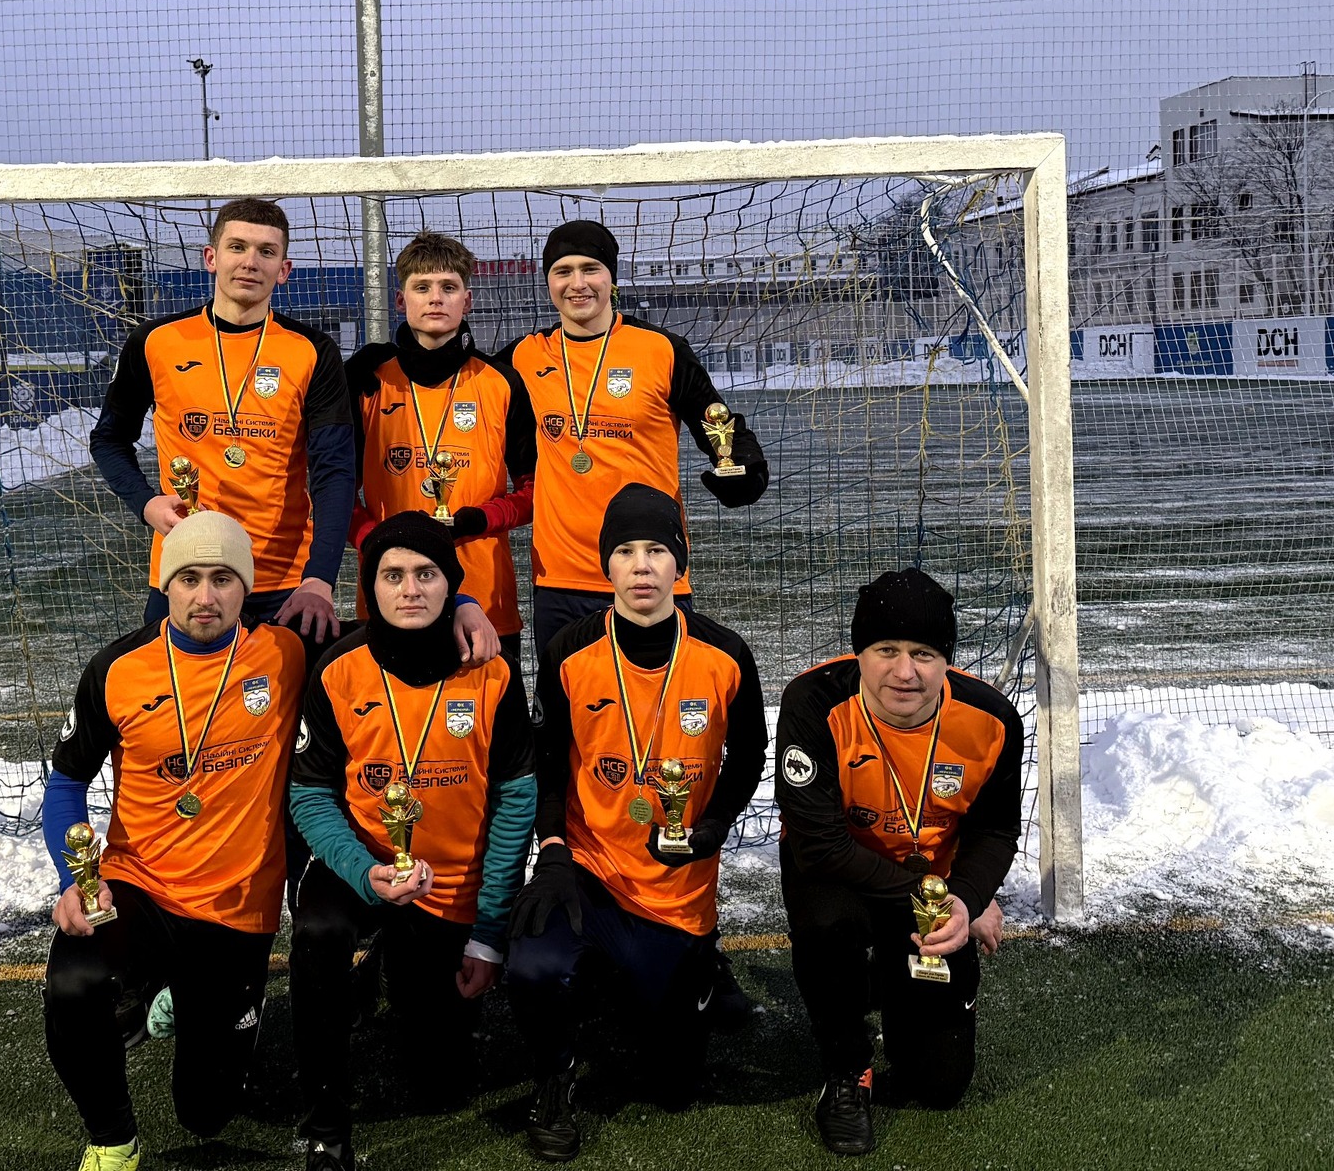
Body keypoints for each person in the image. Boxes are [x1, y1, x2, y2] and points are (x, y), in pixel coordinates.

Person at [503, 484, 768, 1161]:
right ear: (606, 565)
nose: (642, 566)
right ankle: (553, 1079)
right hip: (590, 871)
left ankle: (688, 971)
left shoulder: (725, 654)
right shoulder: (568, 651)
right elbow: (548, 759)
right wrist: (553, 849)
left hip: (676, 890)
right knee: (533, 965)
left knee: (674, 1086)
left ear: (680, 563)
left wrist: (714, 826)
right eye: (625, 551)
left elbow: (750, 756)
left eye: (656, 550)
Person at [39, 511, 306, 1171]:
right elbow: (66, 781)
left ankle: (179, 999)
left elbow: (397, 628)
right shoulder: (118, 669)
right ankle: (112, 1141)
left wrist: (464, 606)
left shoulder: (288, 653)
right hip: (139, 885)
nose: (205, 596)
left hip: (237, 907)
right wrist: (76, 881)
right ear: (166, 584)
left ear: (246, 588)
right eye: (189, 578)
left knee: (207, 1113)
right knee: (73, 984)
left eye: (222, 579)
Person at [288, 512, 537, 1171]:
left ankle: (391, 964)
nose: (409, 589)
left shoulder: (491, 670)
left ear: (450, 583)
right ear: (370, 585)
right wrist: (361, 871)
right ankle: (325, 1125)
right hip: (362, 871)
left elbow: (516, 803)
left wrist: (488, 933)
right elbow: (309, 795)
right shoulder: (338, 668)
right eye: (392, 575)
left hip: (452, 886)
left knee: (440, 1086)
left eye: (426, 574)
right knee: (317, 933)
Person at [774, 568, 1022, 1157]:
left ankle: (885, 978)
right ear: (859, 653)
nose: (905, 672)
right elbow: (820, 847)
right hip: (838, 874)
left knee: (939, 1085)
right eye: (886, 650)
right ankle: (846, 1066)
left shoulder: (992, 720)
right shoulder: (812, 703)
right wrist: (952, 899)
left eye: (923, 654)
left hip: (931, 888)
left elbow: (994, 830)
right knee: (828, 926)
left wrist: (966, 897)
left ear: (946, 660)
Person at [90, 198, 354, 642]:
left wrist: (319, 578)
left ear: (284, 269)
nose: (250, 262)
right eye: (237, 247)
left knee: (289, 689)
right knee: (174, 688)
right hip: (186, 573)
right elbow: (109, 439)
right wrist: (146, 503)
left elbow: (335, 471)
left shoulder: (313, 350)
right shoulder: (155, 341)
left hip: (283, 580)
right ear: (211, 258)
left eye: (266, 251)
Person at [504, 218, 769, 658]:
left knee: (656, 698)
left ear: (611, 277)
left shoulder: (661, 349)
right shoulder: (524, 355)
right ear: (548, 281)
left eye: (590, 269)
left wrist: (744, 470)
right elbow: (458, 383)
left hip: (651, 574)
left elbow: (718, 424)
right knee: (564, 700)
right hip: (560, 578)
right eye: (563, 271)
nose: (577, 284)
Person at [347, 231, 537, 662]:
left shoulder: (501, 382)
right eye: (422, 287)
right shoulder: (366, 382)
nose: (436, 298)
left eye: (448, 287)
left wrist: (478, 520)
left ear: (466, 302)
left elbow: (535, 490)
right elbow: (336, 493)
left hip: (484, 598)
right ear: (401, 301)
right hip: (390, 596)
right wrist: (376, 540)